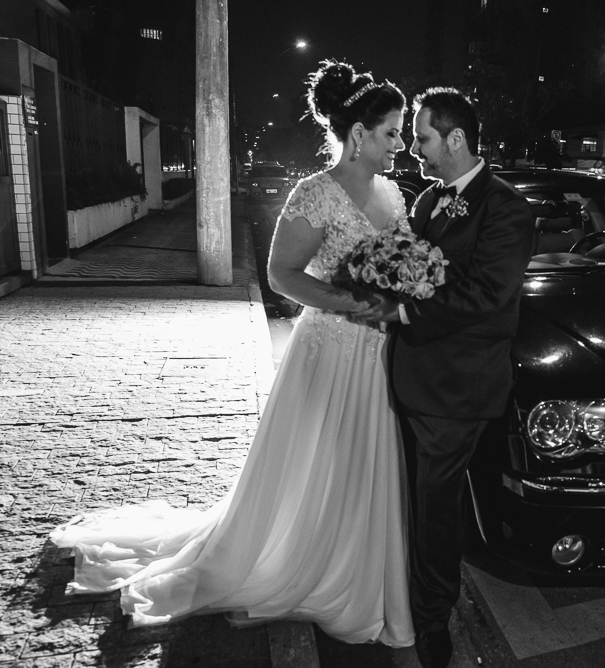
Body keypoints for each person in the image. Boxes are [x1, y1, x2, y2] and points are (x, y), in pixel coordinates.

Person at [49, 59, 415, 647]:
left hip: (376, 354)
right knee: (314, 461)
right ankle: (296, 558)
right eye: (393, 132)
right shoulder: (314, 194)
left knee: (362, 461)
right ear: (358, 134)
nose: (400, 144)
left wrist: (399, 288)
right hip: (327, 349)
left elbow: (398, 263)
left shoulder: (393, 193)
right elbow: (280, 275)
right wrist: (350, 301)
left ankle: (357, 560)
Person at [357, 87, 535, 668]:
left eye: (423, 138)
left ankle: (432, 618)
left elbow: (486, 295)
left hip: (458, 388)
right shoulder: (432, 199)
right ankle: (405, 586)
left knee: (437, 507)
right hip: (411, 377)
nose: (415, 151)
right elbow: (414, 267)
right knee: (411, 495)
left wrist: (403, 310)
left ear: (455, 139)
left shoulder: (507, 208)